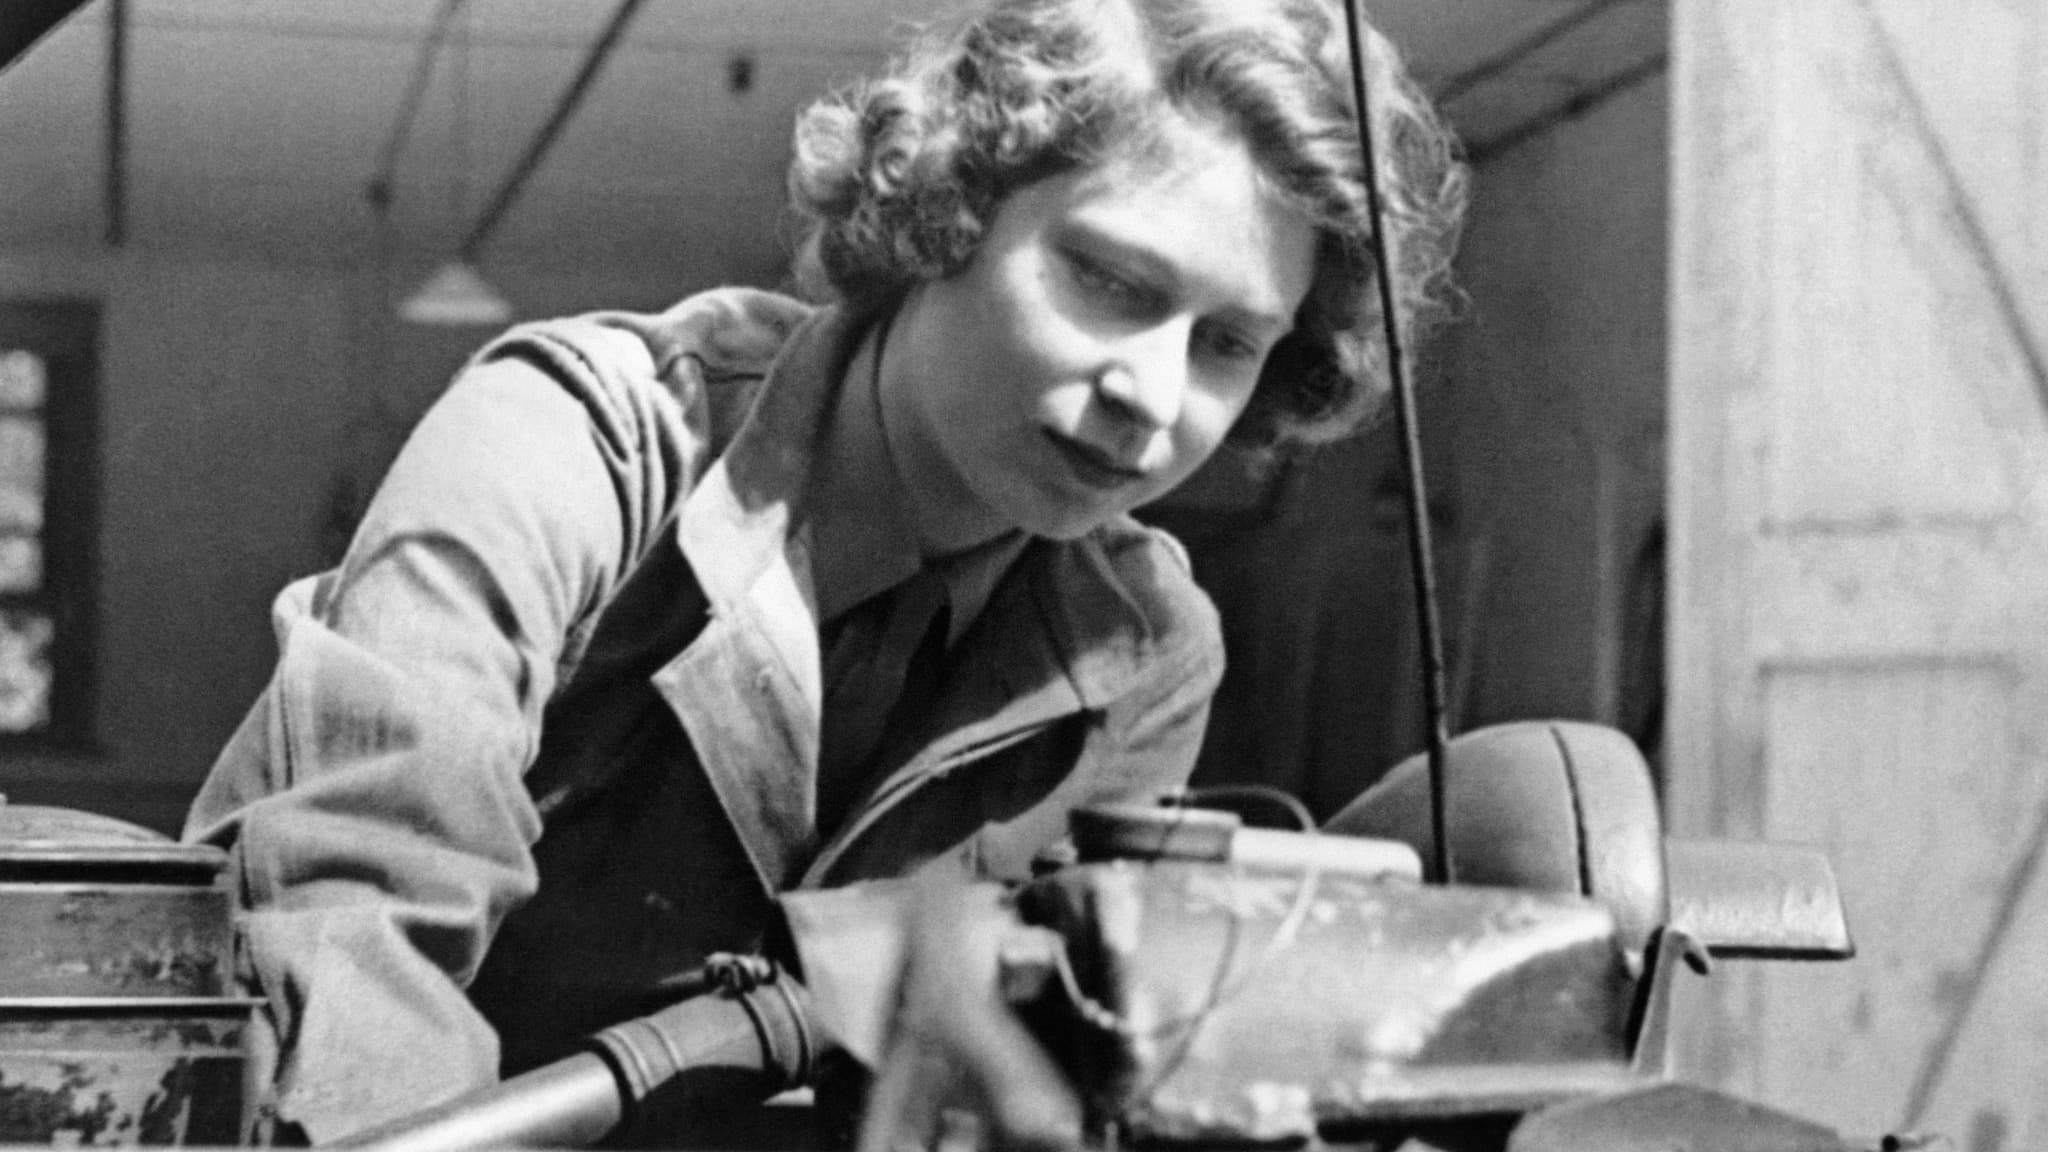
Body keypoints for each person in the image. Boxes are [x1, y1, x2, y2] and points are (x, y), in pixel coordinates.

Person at [183, 0, 1465, 1144]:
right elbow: (357, 914)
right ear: (943, 213)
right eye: (1109, 280)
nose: (1154, 394)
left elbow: (1010, 1080)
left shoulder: (1141, 648)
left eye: (1228, 344)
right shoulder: (576, 445)